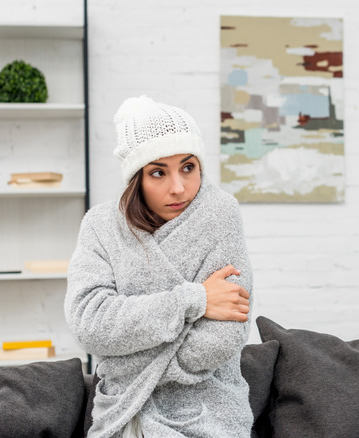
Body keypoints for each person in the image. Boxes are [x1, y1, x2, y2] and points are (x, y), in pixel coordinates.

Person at [64, 95, 254, 438]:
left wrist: (124, 359)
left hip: (208, 415)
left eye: (188, 167)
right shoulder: (101, 226)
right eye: (158, 173)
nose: (178, 187)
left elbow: (223, 337)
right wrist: (195, 300)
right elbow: (90, 323)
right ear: (136, 178)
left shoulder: (220, 214)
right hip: (120, 416)